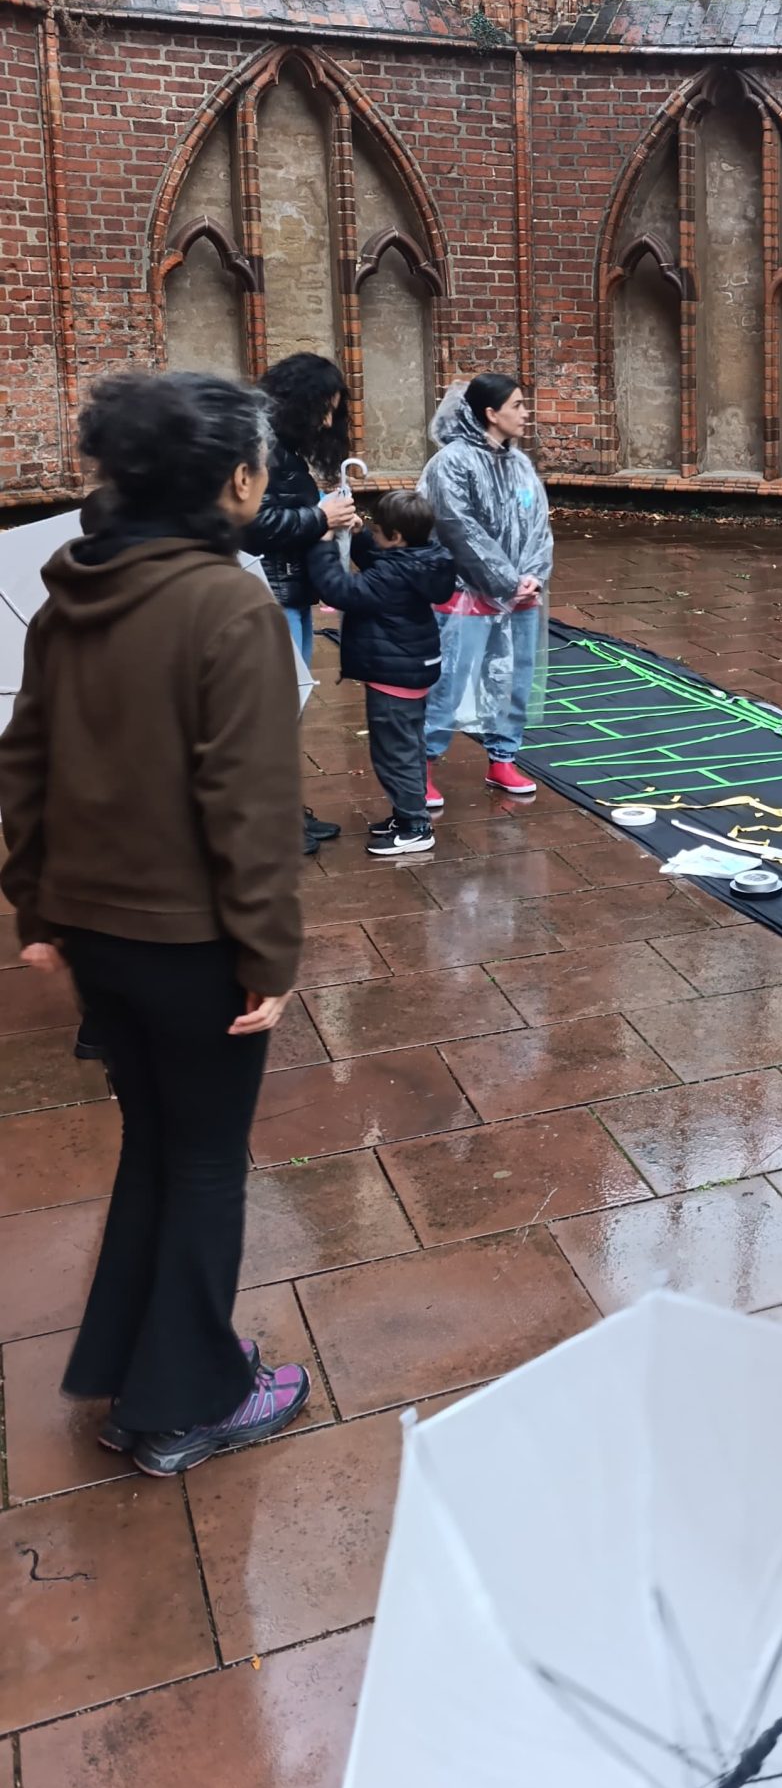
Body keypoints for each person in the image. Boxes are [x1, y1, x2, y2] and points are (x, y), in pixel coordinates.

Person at [0, 372, 309, 1477]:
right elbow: (252, 804)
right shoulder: (227, 603)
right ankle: (188, 1403)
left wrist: (36, 904)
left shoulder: (71, 588)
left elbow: (23, 758)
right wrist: (269, 955)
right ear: (232, 480)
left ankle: (137, 1361)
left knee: (155, 1143)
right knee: (206, 1161)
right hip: (194, 944)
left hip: (96, 936)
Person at [241, 351, 358, 858]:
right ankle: (271, 824)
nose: (329, 420)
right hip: (269, 595)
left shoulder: (280, 446)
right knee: (273, 710)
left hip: (290, 591)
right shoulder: (258, 446)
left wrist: (330, 519)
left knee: (291, 703)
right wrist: (319, 516)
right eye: (325, 408)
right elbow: (254, 526)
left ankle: (285, 814)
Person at [420, 374, 552, 803]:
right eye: (517, 405)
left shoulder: (520, 464)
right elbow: (460, 531)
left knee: (513, 678)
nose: (525, 413)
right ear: (491, 414)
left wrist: (532, 575)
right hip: (467, 595)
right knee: (449, 683)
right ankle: (421, 765)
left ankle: (503, 759)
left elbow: (538, 527)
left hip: (519, 598)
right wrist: (505, 582)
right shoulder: (452, 463)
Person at [304, 491, 455, 859]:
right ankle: (408, 815)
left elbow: (339, 589)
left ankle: (415, 826)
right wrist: (357, 537)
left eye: (378, 529)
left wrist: (323, 542)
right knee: (409, 748)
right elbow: (382, 564)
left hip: (393, 678)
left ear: (397, 536)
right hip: (411, 672)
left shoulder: (394, 573)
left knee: (395, 755)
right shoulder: (420, 561)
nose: (373, 532)